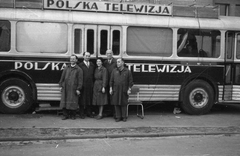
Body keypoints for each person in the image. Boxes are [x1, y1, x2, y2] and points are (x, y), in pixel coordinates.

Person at [59, 55, 83, 120]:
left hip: (74, 88)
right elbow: (62, 77)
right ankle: (65, 115)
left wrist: (78, 88)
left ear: (76, 60)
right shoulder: (66, 68)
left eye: (73, 59)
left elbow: (80, 80)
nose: (72, 60)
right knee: (65, 101)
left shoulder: (79, 69)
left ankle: (73, 115)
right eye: (71, 59)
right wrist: (61, 85)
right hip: (65, 87)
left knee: (73, 101)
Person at [109, 58, 133, 122]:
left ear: (123, 63)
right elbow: (111, 81)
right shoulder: (114, 71)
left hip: (124, 90)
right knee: (116, 103)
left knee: (123, 104)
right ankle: (118, 117)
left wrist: (129, 89)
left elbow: (130, 82)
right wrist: (111, 88)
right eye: (117, 62)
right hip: (116, 89)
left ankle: (124, 117)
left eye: (119, 62)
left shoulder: (127, 71)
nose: (117, 63)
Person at [78, 52, 95, 118]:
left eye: (89, 56)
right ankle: (81, 113)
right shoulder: (80, 65)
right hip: (83, 84)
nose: (87, 57)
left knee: (89, 99)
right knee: (82, 99)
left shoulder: (92, 65)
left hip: (90, 84)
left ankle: (89, 112)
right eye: (86, 56)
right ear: (83, 57)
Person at [103, 49, 117, 118]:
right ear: (106, 54)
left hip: (114, 83)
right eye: (107, 53)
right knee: (108, 97)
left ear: (112, 54)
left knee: (113, 98)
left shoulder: (116, 62)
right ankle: (109, 112)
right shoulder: (105, 62)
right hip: (107, 82)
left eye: (110, 53)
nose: (109, 55)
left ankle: (115, 113)